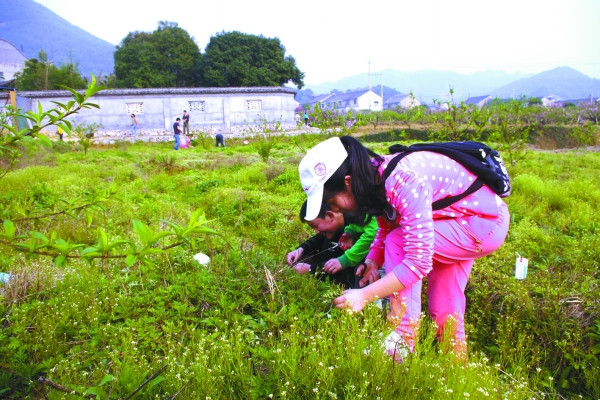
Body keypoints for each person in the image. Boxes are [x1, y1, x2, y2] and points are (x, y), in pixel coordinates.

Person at [298, 135, 510, 358]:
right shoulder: (374, 182)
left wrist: (364, 296)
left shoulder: (400, 181)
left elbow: (417, 261)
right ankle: (456, 365)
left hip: (480, 221)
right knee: (444, 308)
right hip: (457, 222)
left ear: (348, 183)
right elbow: (386, 225)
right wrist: (373, 259)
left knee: (399, 241)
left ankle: (401, 337)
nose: (335, 208)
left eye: (332, 202)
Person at [287, 201, 378, 289]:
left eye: (316, 226)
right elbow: (319, 238)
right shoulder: (339, 228)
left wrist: (311, 269)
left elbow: (340, 267)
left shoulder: (359, 238)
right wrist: (301, 249)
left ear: (330, 215)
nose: (316, 231)